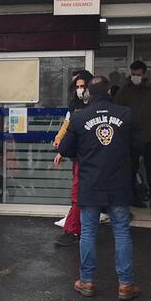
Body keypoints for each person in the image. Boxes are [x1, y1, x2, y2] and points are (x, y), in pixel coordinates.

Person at [58, 76, 139, 301]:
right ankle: (125, 285)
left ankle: (86, 281)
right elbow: (138, 144)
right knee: (122, 232)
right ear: (110, 92)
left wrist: (84, 152)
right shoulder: (126, 114)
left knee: (88, 232)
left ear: (88, 94)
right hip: (118, 184)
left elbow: (64, 148)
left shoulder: (79, 117)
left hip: (90, 183)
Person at [115, 60, 151, 209]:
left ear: (144, 74)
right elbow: (117, 110)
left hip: (149, 134)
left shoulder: (150, 89)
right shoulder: (124, 90)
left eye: (138, 75)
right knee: (132, 168)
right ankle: (133, 197)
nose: (135, 77)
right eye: (133, 74)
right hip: (131, 135)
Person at [52, 69, 93, 248]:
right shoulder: (74, 105)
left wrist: (63, 148)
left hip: (91, 156)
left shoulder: (94, 104)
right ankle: (76, 228)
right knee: (79, 193)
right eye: (77, 86)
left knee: (80, 193)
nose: (79, 89)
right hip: (79, 155)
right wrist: (60, 141)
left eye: (82, 86)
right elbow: (68, 125)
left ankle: (74, 229)